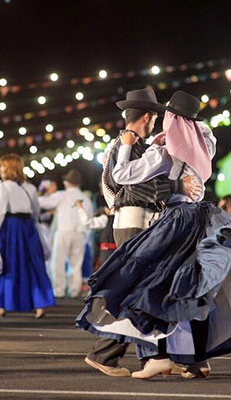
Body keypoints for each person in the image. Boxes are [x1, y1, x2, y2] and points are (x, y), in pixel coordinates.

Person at [77, 90, 231, 380]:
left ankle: (153, 357)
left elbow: (120, 179)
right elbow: (113, 183)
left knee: (150, 288)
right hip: (194, 218)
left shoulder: (162, 151)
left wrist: (154, 169)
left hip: (170, 222)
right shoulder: (201, 146)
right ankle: (189, 359)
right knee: (186, 287)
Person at [82, 89, 200, 378]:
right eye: (156, 117)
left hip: (137, 219)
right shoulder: (126, 145)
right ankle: (114, 354)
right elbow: (119, 185)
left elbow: (120, 188)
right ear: (147, 117)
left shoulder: (135, 145)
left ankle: (141, 355)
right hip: (134, 220)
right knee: (137, 290)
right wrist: (172, 189)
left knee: (140, 289)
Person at [0, 154, 55, 318]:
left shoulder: (1, 187)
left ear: (8, 168)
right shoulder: (30, 188)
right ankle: (40, 304)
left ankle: (0, 305)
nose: (0, 170)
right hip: (28, 228)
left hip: (9, 228)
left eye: (2, 166)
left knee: (3, 265)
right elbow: (36, 211)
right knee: (33, 265)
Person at [38, 169, 93, 298]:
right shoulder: (86, 198)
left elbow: (42, 202)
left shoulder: (62, 195)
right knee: (76, 263)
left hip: (63, 231)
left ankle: (59, 290)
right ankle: (74, 290)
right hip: (79, 233)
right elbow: (89, 217)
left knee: (58, 262)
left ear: (67, 182)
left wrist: (43, 191)